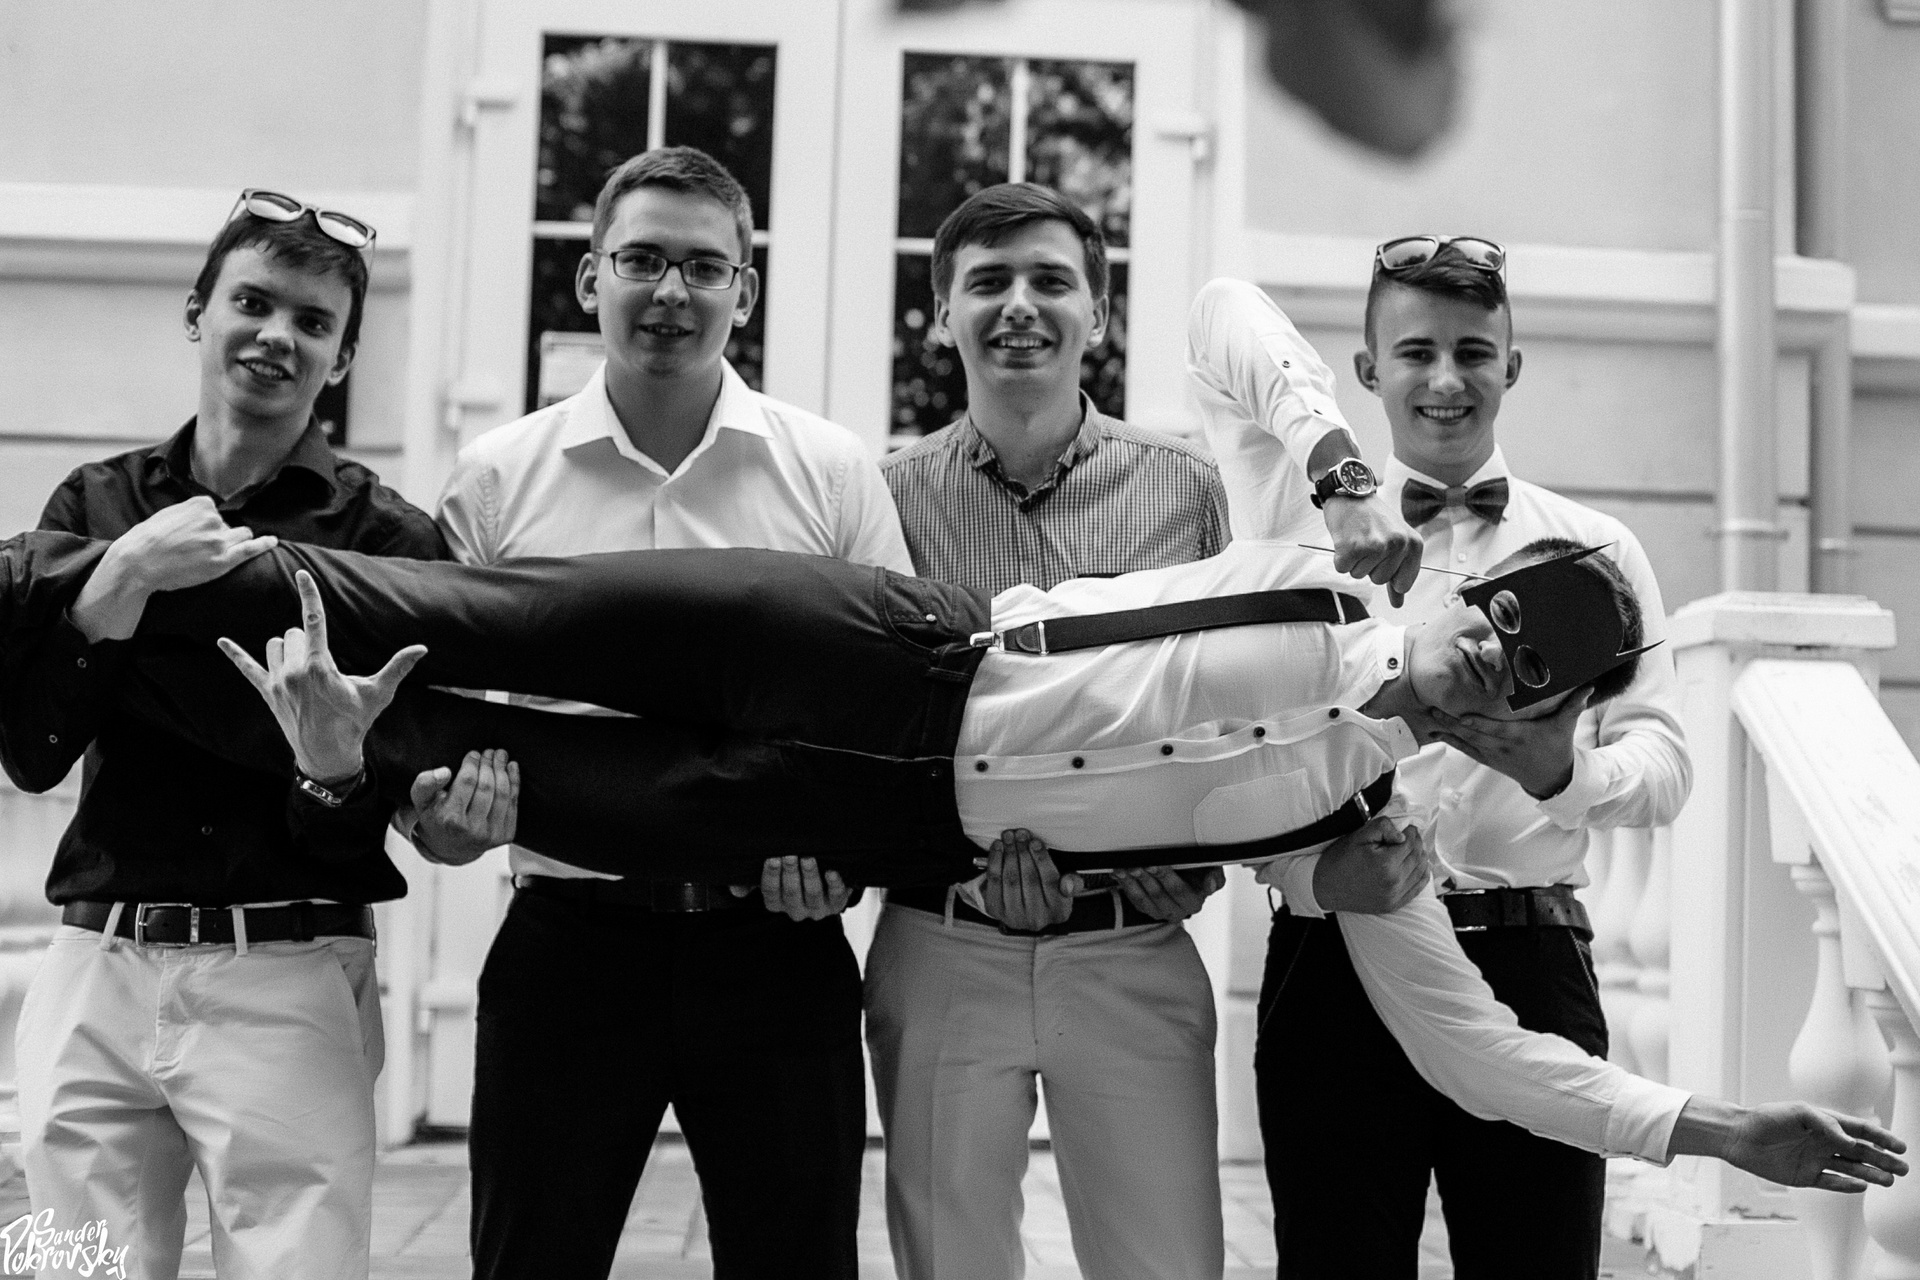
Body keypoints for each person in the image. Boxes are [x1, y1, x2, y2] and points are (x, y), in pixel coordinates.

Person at [423, 146, 910, 1280]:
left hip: (776, 946)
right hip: (568, 948)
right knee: (531, 1262)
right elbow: (433, 719)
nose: (671, 292)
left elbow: (888, 712)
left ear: (747, 290)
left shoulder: (832, 472)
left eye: (704, 266)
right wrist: (439, 820)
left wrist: (846, 862)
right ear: (590, 276)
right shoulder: (495, 480)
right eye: (642, 260)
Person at [0, 191, 448, 1280]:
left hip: (289, 970)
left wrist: (332, 767)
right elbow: (34, 752)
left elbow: (381, 818)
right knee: (75, 1273)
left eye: (312, 321)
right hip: (97, 966)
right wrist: (121, 580)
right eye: (253, 302)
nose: (277, 335)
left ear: (342, 359)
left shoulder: (389, 540)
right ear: (198, 313)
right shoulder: (98, 506)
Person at [1252, 235, 1690, 1278]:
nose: (1446, 379)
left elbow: (1666, 766)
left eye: (1473, 352)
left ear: (1512, 366)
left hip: (1533, 961)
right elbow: (1245, 761)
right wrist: (1309, 875)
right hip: (1336, 962)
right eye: (1416, 352)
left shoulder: (1599, 553)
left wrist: (1561, 773)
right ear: (1368, 370)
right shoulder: (1296, 552)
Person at [868, 183, 1236, 1280]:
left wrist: (1196, 861)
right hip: (942, 946)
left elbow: (1227, 705)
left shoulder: (1187, 491)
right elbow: (866, 726)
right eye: (987, 282)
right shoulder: (883, 500)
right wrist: (956, 867)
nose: (1019, 305)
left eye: (1050, 280)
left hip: (1131, 947)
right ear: (944, 313)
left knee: (1166, 1267)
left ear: (1098, 313)